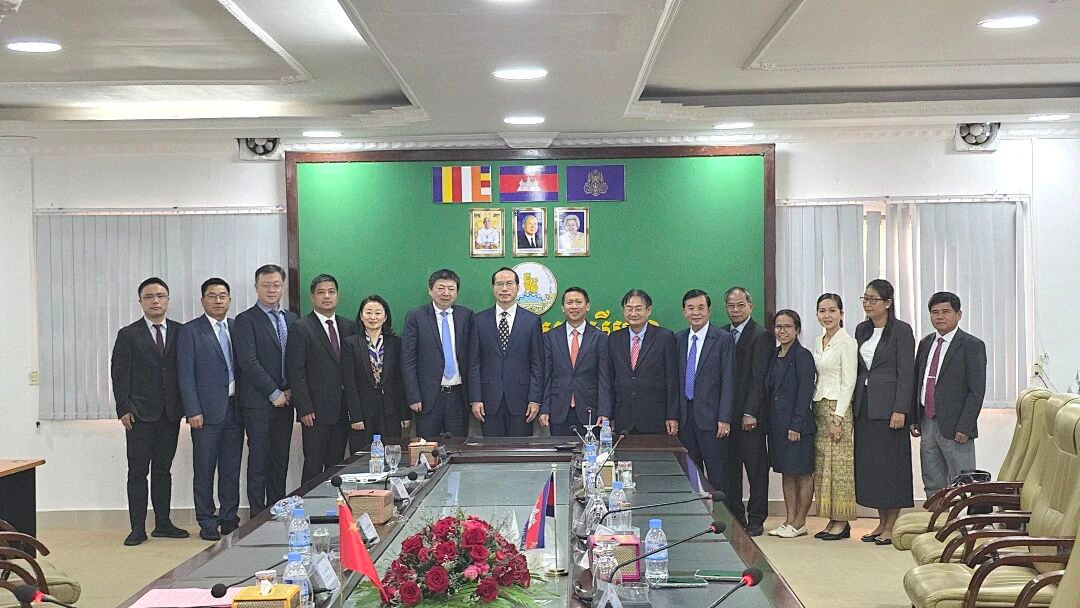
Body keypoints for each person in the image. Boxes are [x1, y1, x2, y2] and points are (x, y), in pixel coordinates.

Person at [110, 277, 189, 546]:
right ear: (140, 301)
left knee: (163, 471)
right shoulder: (128, 334)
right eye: (149, 297)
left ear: (167, 300)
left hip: (170, 414)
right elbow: (119, 374)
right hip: (139, 415)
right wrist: (123, 408)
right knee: (137, 472)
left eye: (160, 296)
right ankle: (137, 528)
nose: (155, 301)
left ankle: (163, 523)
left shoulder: (180, 332)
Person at [177, 278, 243, 541]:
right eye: (212, 296)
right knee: (204, 470)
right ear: (203, 300)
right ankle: (206, 520)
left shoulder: (237, 328)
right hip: (204, 414)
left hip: (235, 411)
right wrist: (192, 409)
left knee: (231, 469)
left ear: (229, 300)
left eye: (223, 296)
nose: (218, 301)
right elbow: (185, 374)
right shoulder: (190, 331)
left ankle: (229, 518)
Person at [853, 278, 916, 546]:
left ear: (888, 303)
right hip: (865, 406)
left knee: (891, 468)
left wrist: (901, 408)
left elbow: (906, 373)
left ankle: (892, 525)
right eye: (865, 299)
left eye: (873, 299)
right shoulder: (861, 329)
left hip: (890, 409)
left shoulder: (901, 330)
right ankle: (881, 523)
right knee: (873, 468)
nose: (868, 304)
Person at [233, 264, 297, 515]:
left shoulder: (291, 319)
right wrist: (274, 392)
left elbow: (296, 360)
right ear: (256, 287)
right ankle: (257, 516)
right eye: (266, 285)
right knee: (259, 460)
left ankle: (277, 509)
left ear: (283, 287)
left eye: (276, 285)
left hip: (286, 401)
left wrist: (290, 390)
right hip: (258, 402)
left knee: (280, 460)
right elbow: (248, 362)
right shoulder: (245, 320)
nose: (271, 289)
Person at [910, 292, 987, 496]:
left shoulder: (972, 345)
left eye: (946, 311)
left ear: (958, 315)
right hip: (927, 421)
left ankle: (963, 516)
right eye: (935, 312)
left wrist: (965, 426)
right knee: (932, 479)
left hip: (956, 426)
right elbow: (918, 381)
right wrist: (915, 418)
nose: (940, 316)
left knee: (962, 482)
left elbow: (976, 391)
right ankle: (937, 516)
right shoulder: (926, 343)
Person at [286, 274, 356, 482]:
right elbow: (296, 371)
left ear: (337, 296)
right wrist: (304, 408)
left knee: (336, 466)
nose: (327, 296)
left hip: (343, 410)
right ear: (312, 297)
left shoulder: (348, 326)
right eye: (321, 292)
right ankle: (308, 502)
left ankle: (332, 502)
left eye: (331, 292)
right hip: (315, 412)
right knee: (314, 466)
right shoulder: (301, 327)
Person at [402, 269, 481, 439]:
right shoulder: (416, 316)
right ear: (430, 290)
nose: (446, 293)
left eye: (451, 289)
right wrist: (413, 396)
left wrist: (475, 397)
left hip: (458, 396)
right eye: (441, 288)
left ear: (457, 292)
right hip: (427, 397)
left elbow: (473, 360)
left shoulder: (466, 316)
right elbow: (408, 360)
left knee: (458, 446)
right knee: (427, 448)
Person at [719, 286, 773, 536]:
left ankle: (757, 518)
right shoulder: (721, 334)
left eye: (741, 305)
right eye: (731, 305)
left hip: (751, 417)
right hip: (726, 417)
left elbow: (759, 379)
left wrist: (750, 411)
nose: (736, 310)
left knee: (755, 470)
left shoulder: (761, 335)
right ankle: (736, 515)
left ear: (750, 306)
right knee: (730, 470)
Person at [676, 290, 737, 495]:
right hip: (685, 419)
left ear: (709, 311)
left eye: (701, 308)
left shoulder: (723, 339)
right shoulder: (678, 339)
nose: (696, 313)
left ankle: (721, 514)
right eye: (691, 308)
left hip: (713, 421)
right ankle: (696, 512)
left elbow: (729, 380)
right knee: (690, 474)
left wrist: (724, 418)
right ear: (684, 312)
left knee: (718, 475)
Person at [473, 267, 545, 437]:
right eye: (499, 284)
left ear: (518, 287)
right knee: (491, 450)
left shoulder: (532, 321)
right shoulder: (479, 320)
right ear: (493, 288)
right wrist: (475, 398)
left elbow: (537, 364)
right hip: (488, 401)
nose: (504, 288)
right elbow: (474, 363)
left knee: (521, 450)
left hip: (522, 402)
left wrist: (535, 399)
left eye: (509, 283)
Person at [763, 310, 816, 538]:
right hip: (777, 425)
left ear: (797, 329)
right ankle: (789, 520)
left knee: (802, 473)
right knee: (786, 472)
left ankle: (800, 521)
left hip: (797, 427)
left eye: (787, 326)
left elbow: (805, 392)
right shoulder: (774, 354)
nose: (782, 331)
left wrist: (796, 424)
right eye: (778, 326)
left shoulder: (803, 356)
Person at [810, 293, 858, 541]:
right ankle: (831, 518)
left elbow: (849, 382)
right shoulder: (818, 341)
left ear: (841, 314)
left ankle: (842, 521)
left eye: (832, 310)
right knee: (823, 467)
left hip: (837, 409)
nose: (827, 315)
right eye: (822, 311)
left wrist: (838, 418)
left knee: (839, 467)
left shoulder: (847, 342)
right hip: (819, 407)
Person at [602, 289, 678, 435]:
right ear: (624, 311)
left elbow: (672, 380)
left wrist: (672, 415)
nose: (633, 313)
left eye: (638, 309)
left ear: (648, 310)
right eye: (629, 309)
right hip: (623, 418)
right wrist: (609, 415)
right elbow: (610, 379)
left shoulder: (665, 337)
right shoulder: (614, 338)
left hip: (655, 418)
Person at [342, 295, 410, 451]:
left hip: (391, 413)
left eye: (378, 313)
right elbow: (349, 383)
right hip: (363, 414)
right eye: (368, 312)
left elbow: (400, 381)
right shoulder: (350, 343)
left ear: (385, 317)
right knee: (362, 457)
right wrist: (355, 416)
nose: (373, 317)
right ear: (361, 316)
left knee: (391, 455)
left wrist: (404, 413)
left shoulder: (395, 343)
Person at [540, 287, 610, 436]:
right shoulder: (551, 337)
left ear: (587, 306)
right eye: (569, 302)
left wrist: (604, 411)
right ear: (563, 307)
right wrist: (545, 408)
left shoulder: (600, 337)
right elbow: (547, 376)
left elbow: (604, 377)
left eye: (578, 302)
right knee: (559, 450)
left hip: (590, 410)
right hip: (558, 409)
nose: (574, 306)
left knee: (590, 450)